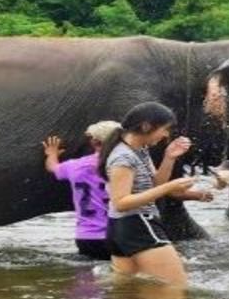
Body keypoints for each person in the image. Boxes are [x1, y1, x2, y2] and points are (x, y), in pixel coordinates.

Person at [99, 102, 213, 288]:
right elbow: (120, 202)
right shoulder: (123, 157)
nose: (166, 135)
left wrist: (169, 157)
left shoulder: (139, 150)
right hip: (138, 225)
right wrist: (170, 187)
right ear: (146, 126)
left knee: (127, 293)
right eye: (165, 129)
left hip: (121, 228)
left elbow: (155, 184)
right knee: (175, 290)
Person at [42, 121, 121, 260]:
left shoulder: (76, 166)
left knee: (88, 277)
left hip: (86, 237)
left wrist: (51, 153)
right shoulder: (121, 166)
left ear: (93, 142)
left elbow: (52, 167)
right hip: (116, 235)